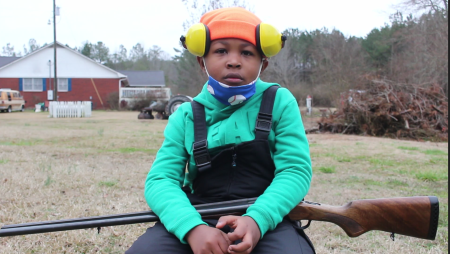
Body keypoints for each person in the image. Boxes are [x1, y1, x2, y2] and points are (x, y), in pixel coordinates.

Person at [127, 7, 314, 254]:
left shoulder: (280, 101)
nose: (234, 60)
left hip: (268, 218)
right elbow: (160, 180)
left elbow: (295, 171)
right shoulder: (184, 115)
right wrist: (191, 228)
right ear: (201, 62)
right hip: (197, 215)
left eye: (247, 52)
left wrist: (257, 221)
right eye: (221, 50)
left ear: (263, 64)